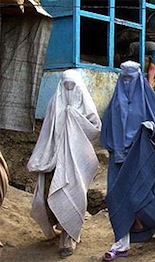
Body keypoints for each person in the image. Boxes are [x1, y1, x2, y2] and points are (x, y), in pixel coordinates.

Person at [100, 61, 155, 261]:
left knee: (142, 195)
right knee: (118, 198)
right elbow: (107, 126)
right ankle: (121, 243)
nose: (127, 82)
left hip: (141, 156)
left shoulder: (147, 95)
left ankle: (153, 224)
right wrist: (114, 147)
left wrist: (149, 129)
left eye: (130, 78)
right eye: (124, 78)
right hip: (119, 159)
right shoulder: (115, 100)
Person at [27, 69, 102, 258]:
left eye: (73, 86)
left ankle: (68, 239)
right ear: (61, 86)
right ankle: (60, 228)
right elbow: (47, 131)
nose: (69, 89)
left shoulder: (85, 102)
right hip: (54, 159)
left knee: (74, 195)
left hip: (76, 161)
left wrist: (75, 118)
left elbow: (94, 128)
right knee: (51, 196)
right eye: (66, 86)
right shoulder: (54, 102)